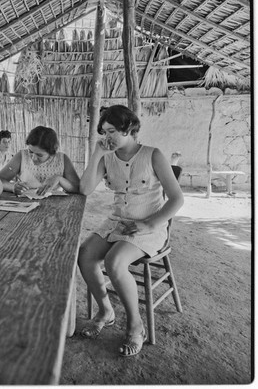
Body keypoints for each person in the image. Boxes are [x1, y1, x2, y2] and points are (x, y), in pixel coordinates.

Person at [77, 105, 184, 357]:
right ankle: (106, 312)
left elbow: (177, 199)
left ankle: (136, 326)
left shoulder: (152, 155)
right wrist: (95, 154)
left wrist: (150, 223)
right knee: (84, 254)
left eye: (112, 131)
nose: (107, 137)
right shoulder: (107, 157)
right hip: (118, 222)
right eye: (103, 132)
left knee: (115, 261)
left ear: (129, 129)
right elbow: (84, 190)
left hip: (149, 227)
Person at [0, 126, 80, 195]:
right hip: (26, 206)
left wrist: (59, 179)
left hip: (55, 207)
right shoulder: (22, 156)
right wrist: (12, 187)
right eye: (31, 151)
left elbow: (77, 188)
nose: (33, 158)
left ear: (51, 152)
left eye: (39, 155)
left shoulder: (62, 159)